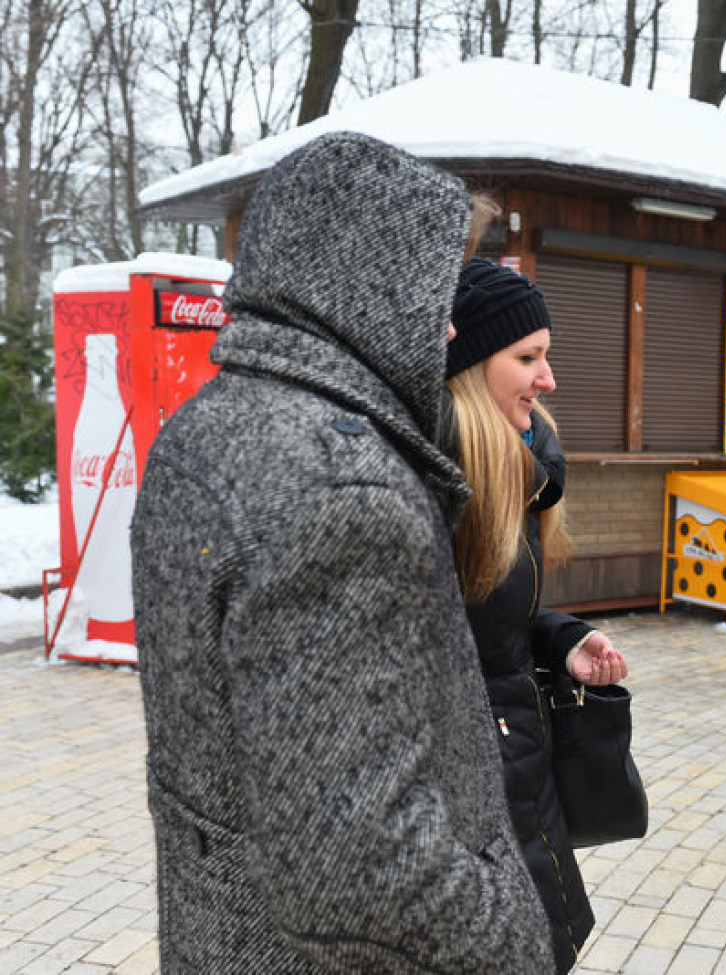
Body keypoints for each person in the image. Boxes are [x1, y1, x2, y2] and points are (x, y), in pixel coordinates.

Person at [130, 132, 553, 973]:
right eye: (433, 292)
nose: (444, 324)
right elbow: (356, 861)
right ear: (365, 285)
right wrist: (511, 937)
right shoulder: (341, 490)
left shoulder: (206, 426)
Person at [440, 257, 629, 973]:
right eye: (528, 357)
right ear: (468, 364)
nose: (548, 379)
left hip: (518, 764)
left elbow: (489, 616)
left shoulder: (507, 468)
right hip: (479, 785)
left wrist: (562, 636)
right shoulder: (437, 484)